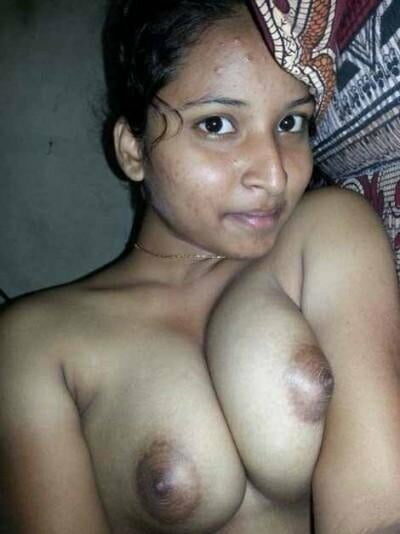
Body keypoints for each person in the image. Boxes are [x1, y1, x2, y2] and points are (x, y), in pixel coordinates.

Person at [0, 1, 400, 532]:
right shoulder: (35, 343)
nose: (274, 174)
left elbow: (379, 511)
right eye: (216, 124)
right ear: (133, 149)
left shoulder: (331, 232)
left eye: (290, 122)